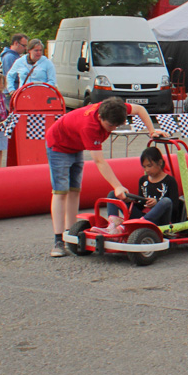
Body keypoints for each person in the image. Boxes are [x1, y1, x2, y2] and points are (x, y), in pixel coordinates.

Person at [46, 97, 163, 257]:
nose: (112, 129)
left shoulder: (115, 108)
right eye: (110, 125)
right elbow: (99, 161)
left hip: (75, 146)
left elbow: (140, 109)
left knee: (74, 190)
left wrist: (152, 131)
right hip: (58, 146)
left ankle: (70, 232)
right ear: (100, 117)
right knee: (61, 192)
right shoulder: (90, 127)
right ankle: (58, 240)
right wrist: (117, 186)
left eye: (117, 126)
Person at [105, 146, 178, 232]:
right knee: (113, 194)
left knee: (166, 201)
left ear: (160, 163)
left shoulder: (170, 181)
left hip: (159, 219)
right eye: (144, 167)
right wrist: (129, 200)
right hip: (142, 216)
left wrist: (157, 202)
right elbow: (141, 204)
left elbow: (174, 206)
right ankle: (113, 224)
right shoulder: (143, 180)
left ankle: (140, 223)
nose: (147, 170)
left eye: (149, 166)